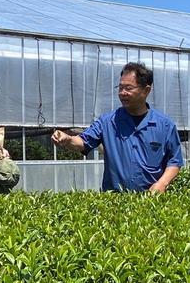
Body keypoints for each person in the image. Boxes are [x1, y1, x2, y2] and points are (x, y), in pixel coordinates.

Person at [52, 62, 183, 193]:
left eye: (128, 88)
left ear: (146, 90)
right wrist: (68, 139)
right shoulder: (107, 121)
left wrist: (162, 183)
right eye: (120, 88)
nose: (122, 93)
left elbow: (175, 161)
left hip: (152, 201)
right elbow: (84, 142)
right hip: (115, 203)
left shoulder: (165, 125)